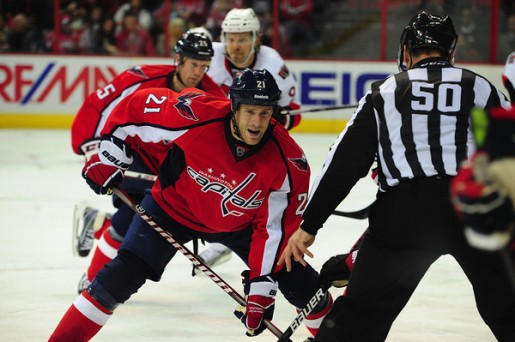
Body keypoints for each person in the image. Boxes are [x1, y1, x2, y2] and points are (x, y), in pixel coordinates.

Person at [278, 11, 515, 341]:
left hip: (405, 214)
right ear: (451, 53)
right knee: (507, 310)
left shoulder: (385, 91)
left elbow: (343, 162)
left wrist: (309, 225)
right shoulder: (482, 87)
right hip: (473, 207)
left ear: (406, 52)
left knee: (358, 321)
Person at [50, 69, 332, 341]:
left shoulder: (289, 162)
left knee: (304, 285)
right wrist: (109, 156)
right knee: (119, 277)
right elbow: (135, 108)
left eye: (264, 113)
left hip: (241, 226)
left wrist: (261, 287)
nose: (257, 123)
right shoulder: (197, 113)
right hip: (172, 209)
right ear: (234, 106)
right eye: (249, 111)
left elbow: (274, 230)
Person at [71, 31, 225, 294]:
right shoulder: (143, 77)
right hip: (134, 154)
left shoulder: (214, 97)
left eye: (204, 66)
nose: (198, 72)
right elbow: (99, 104)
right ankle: (92, 281)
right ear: (179, 59)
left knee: (143, 224)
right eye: (193, 64)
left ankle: (96, 224)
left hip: (169, 167)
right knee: (131, 216)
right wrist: (93, 149)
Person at [198, 7, 303, 269]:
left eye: (243, 39)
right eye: (231, 38)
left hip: (254, 140)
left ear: (256, 39)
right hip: (213, 138)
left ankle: (225, 241)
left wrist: (278, 117)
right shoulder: (210, 57)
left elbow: (294, 114)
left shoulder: (273, 64)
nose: (235, 46)